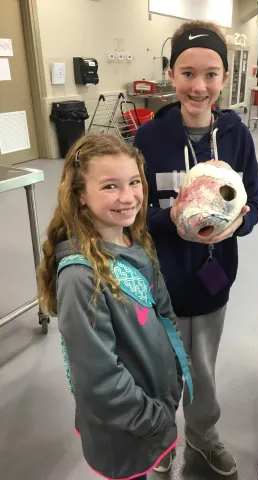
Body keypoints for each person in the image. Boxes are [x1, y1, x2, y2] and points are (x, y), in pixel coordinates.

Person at [133, 20, 258, 476]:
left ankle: (203, 438)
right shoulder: (147, 140)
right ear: (171, 75)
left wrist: (237, 225)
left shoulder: (236, 137)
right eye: (188, 73)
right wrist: (168, 220)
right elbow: (131, 218)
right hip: (157, 287)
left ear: (225, 78)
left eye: (211, 74)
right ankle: (162, 445)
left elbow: (255, 202)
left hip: (211, 283)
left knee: (202, 372)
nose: (199, 85)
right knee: (159, 373)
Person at [37, 133, 193, 480]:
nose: (128, 197)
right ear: (79, 195)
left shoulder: (133, 237)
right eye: (110, 186)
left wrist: (176, 371)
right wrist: (155, 422)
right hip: (126, 427)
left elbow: (162, 311)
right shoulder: (81, 277)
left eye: (134, 182)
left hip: (155, 402)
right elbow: (100, 383)